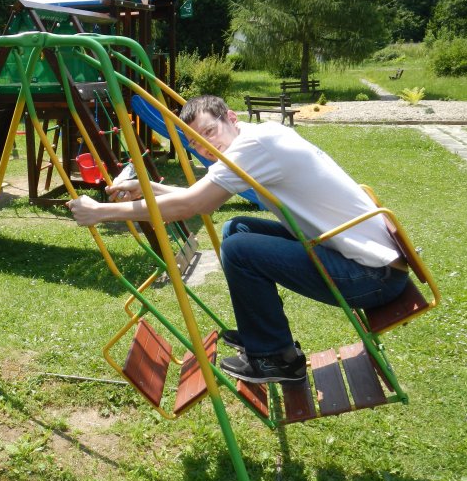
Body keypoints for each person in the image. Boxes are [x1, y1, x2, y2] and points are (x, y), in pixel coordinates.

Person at [66, 95, 410, 384]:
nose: (207, 146)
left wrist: (100, 212)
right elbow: (197, 194)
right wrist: (149, 188)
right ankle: (264, 338)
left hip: (372, 278)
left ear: (231, 117)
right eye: (196, 143)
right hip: (371, 262)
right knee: (237, 230)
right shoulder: (257, 136)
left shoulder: (251, 148)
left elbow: (191, 206)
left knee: (239, 249)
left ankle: (277, 359)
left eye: (209, 132)